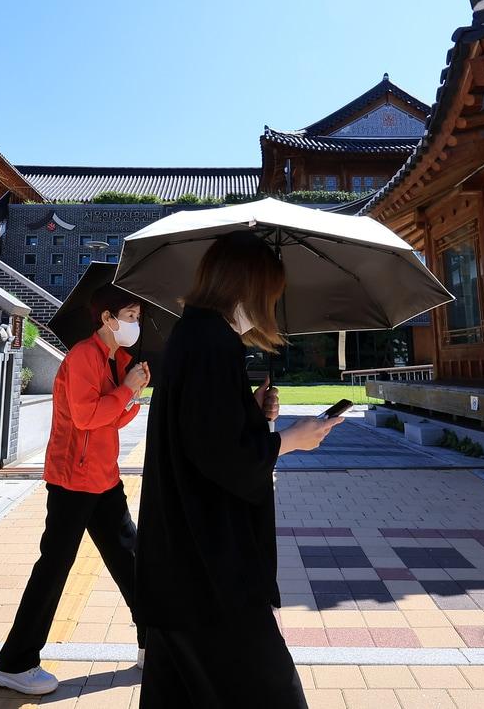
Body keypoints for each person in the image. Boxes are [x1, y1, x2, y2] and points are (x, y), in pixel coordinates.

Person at [135, 231, 345, 709]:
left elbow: (203, 431)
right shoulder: (213, 342)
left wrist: (250, 412)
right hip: (209, 567)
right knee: (271, 692)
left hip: (179, 562)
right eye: (269, 292)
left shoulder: (195, 334)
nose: (270, 304)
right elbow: (221, 455)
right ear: (247, 285)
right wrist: (290, 439)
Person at [0, 284, 151, 696]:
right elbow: (85, 417)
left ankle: (152, 642)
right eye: (130, 316)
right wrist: (126, 390)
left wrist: (131, 393)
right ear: (107, 318)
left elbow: (112, 420)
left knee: (130, 558)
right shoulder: (83, 357)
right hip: (73, 479)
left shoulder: (116, 360)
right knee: (55, 566)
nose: (135, 324)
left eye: (137, 317)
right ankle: (14, 663)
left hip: (103, 477)